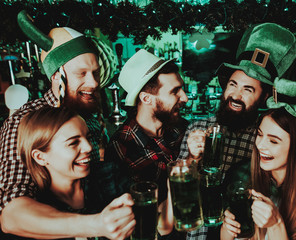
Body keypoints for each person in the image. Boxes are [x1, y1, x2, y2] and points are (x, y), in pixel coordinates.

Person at [0, 12, 133, 239]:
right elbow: (12, 213)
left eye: (95, 73)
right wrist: (95, 225)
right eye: (81, 73)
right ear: (56, 76)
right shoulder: (24, 122)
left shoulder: (89, 114)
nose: (93, 83)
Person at [180, 23, 296, 239]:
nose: (236, 95)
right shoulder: (197, 128)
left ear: (263, 97)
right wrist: (191, 157)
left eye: (248, 89)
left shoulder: (263, 138)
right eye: (233, 85)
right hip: (198, 233)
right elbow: (179, 192)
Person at [220, 78, 296, 239]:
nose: (260, 145)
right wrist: (227, 229)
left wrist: (276, 224)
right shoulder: (240, 176)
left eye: (273, 141)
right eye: (259, 134)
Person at [14, 107, 135, 240]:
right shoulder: (35, 206)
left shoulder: (109, 175)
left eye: (88, 138)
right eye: (73, 143)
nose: (89, 147)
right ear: (40, 157)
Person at [105, 49, 189, 238]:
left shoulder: (181, 129)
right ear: (146, 98)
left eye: (181, 89)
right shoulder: (122, 147)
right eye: (175, 91)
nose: (185, 98)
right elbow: (144, 220)